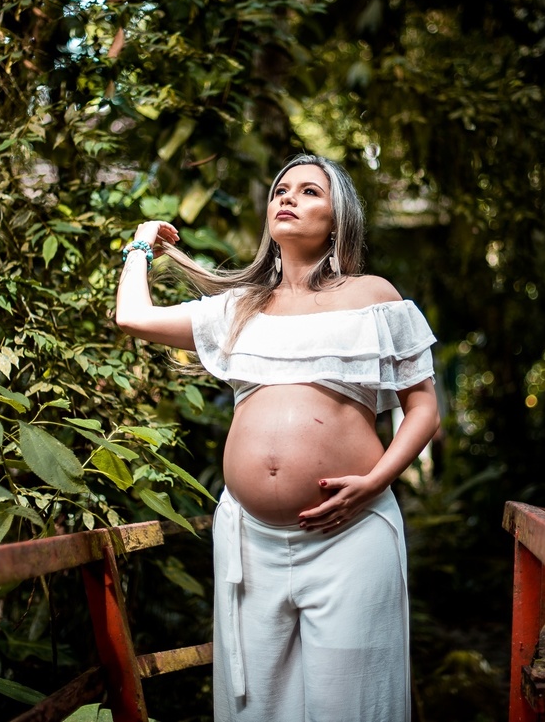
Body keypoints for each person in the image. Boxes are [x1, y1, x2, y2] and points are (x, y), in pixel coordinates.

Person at [114, 154, 440, 722]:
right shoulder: (240, 307)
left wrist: (373, 483)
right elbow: (132, 317)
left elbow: (424, 408)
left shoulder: (374, 296)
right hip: (250, 539)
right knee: (257, 706)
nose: (287, 197)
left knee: (349, 705)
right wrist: (141, 244)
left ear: (338, 219)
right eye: (280, 190)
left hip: (350, 534)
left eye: (310, 191)